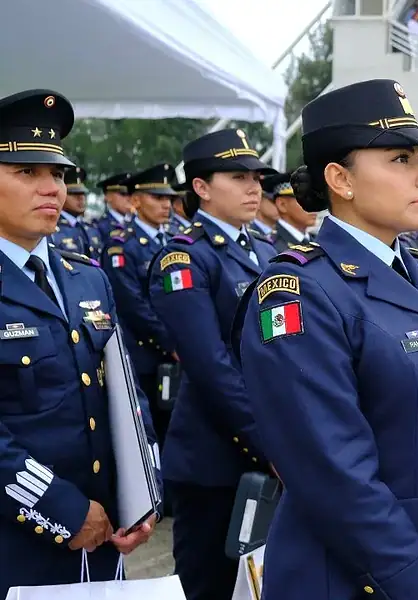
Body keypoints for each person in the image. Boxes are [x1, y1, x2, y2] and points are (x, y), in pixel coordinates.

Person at [238, 79, 418, 599]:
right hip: (355, 578)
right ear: (340, 180)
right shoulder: (298, 292)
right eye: (401, 159)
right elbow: (338, 478)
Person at [0, 89, 159, 595]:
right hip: (15, 542)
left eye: (58, 174)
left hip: (101, 539)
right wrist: (63, 511)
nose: (52, 188)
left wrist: (141, 496)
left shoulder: (87, 279)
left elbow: (125, 396)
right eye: (27, 172)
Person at [148, 128, 277, 600]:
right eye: (237, 176)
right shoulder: (185, 259)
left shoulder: (265, 251)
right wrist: (273, 444)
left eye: (256, 177)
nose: (253, 187)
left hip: (271, 450)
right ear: (201, 187)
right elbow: (211, 366)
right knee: (210, 588)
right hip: (215, 461)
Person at [102, 163, 178, 445]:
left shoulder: (172, 241)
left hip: (177, 352)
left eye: (169, 198)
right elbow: (132, 305)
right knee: (150, 432)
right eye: (157, 198)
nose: (166, 205)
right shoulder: (121, 246)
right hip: (145, 357)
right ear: (135, 201)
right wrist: (171, 343)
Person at [51, 166, 102, 258]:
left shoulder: (90, 227)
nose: (81, 198)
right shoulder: (52, 228)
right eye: (74, 193)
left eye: (83, 193)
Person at [261, 172, 317, 252]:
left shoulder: (318, 242)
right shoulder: (269, 246)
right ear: (282, 205)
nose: (314, 207)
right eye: (305, 199)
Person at [93, 172, 132, 246]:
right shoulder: (99, 226)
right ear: (108, 197)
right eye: (123, 194)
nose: (128, 198)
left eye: (131, 194)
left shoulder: (137, 222)